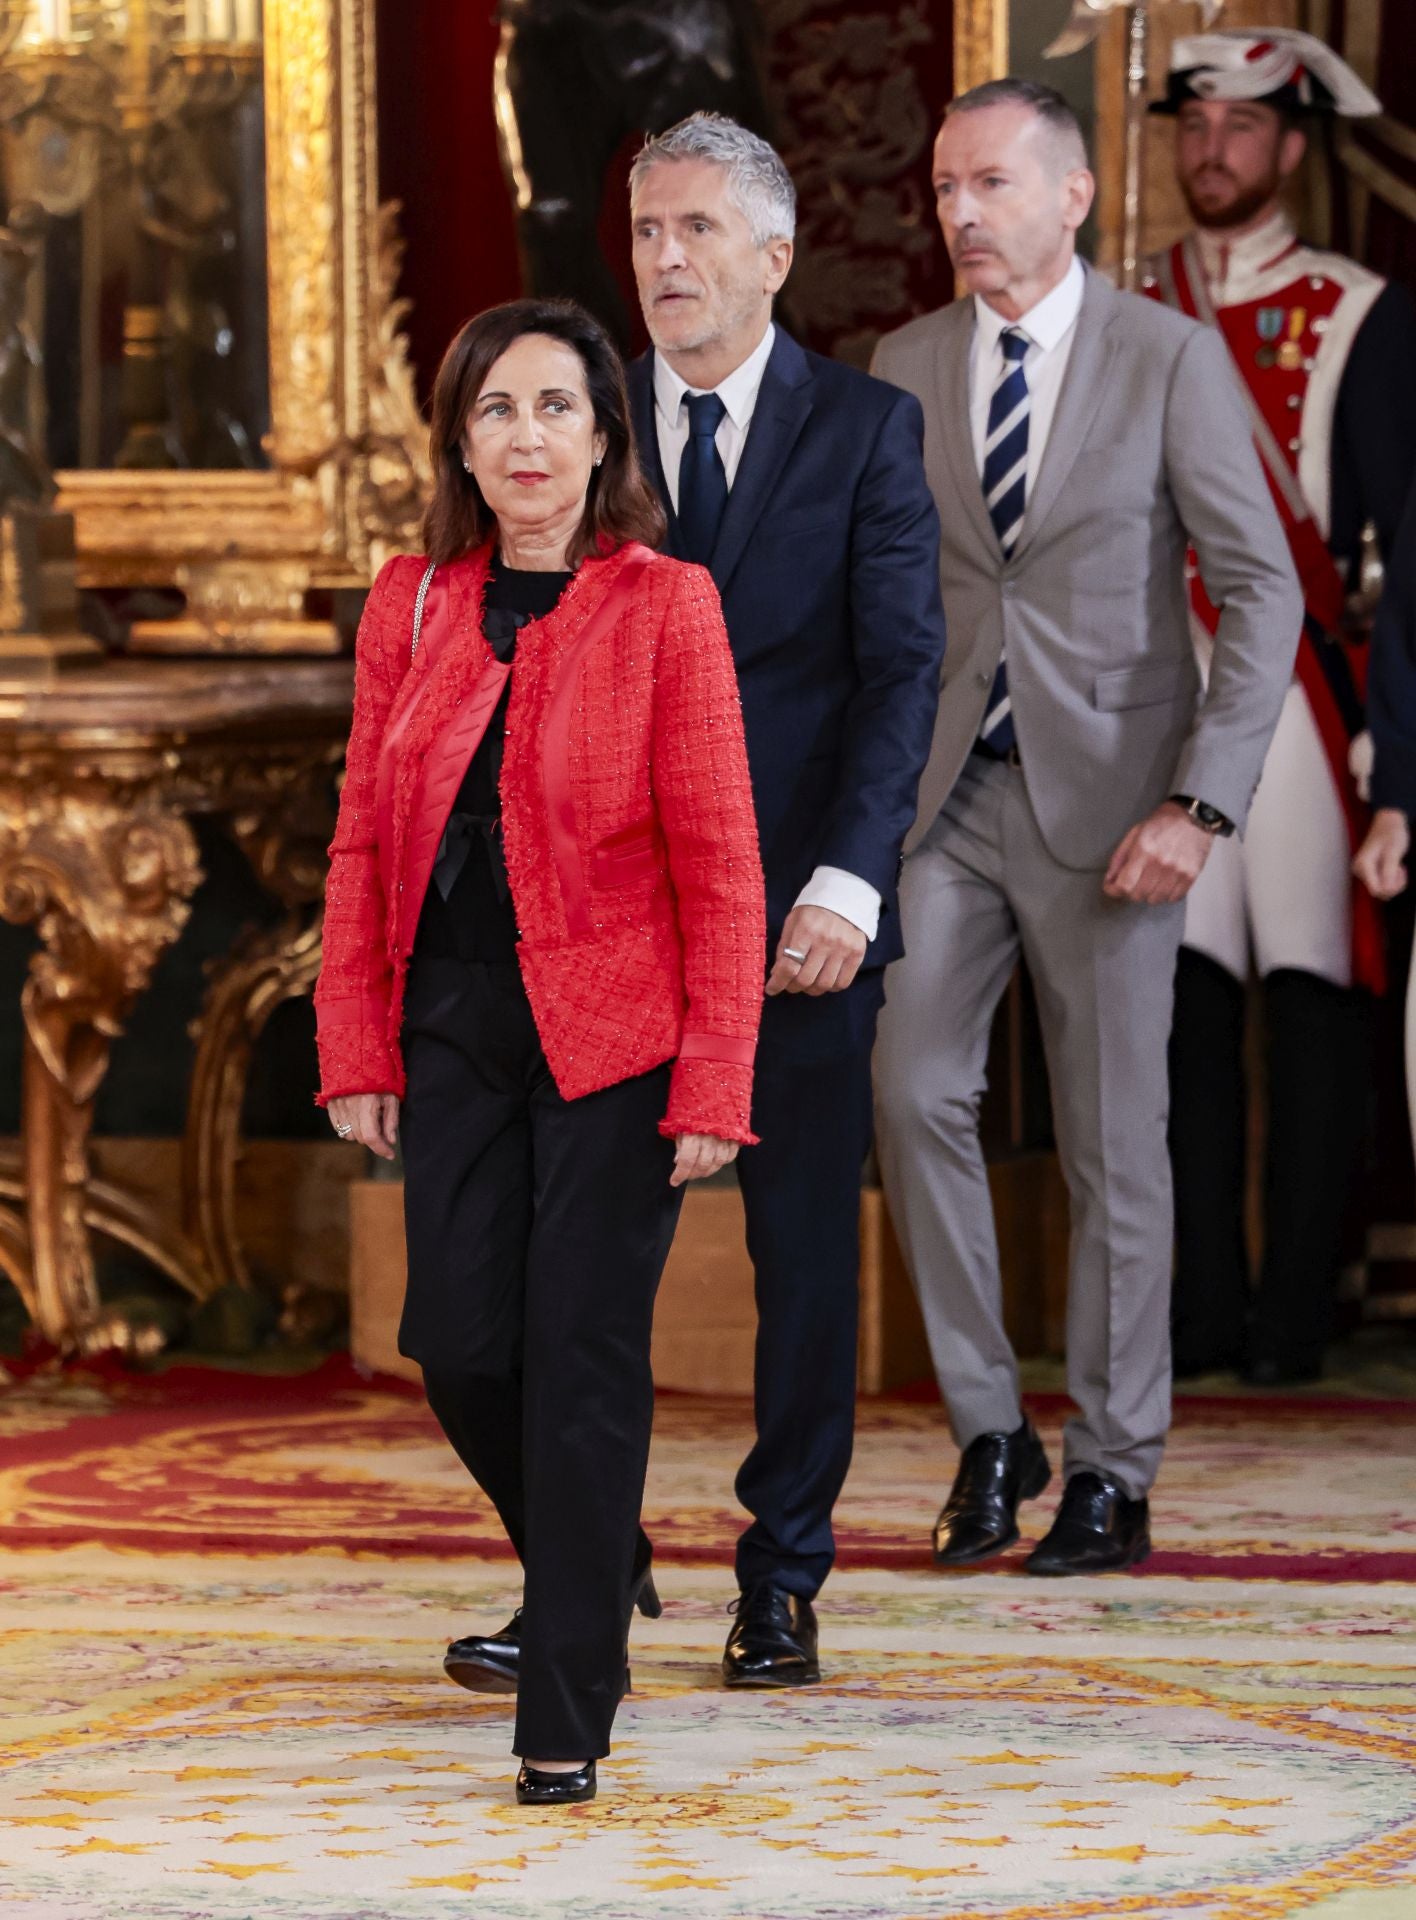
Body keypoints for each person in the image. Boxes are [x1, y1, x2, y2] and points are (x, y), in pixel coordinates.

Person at [314, 298, 765, 1805]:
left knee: (582, 1353)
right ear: (460, 439)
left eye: (557, 407)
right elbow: (363, 838)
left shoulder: (667, 604)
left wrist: (715, 1077)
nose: (526, 438)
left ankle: (569, 1702)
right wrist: (354, 1039)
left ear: (603, 437)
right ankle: (597, 1550)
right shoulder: (411, 604)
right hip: (452, 1025)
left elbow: (724, 865)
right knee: (456, 1338)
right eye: (496, 409)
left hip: (616, 1034)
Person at [872, 80, 1300, 1576]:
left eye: (990, 184)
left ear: (1073, 196)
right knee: (911, 1089)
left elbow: (1262, 588)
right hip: (943, 798)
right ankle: (992, 1430)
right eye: (945, 188)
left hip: (1119, 810)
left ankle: (1115, 1469)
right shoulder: (907, 363)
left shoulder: (1169, 357)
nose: (962, 213)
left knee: (1117, 1144)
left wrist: (1201, 801)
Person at [624, 112, 946, 1683]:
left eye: (695, 228)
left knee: (803, 1256)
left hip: (799, 919)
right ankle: (585, 1550)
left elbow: (902, 678)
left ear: (774, 253)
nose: (664, 258)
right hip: (614, 916)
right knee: (583, 1256)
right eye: (644, 230)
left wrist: (849, 885)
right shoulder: (580, 417)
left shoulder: (867, 429)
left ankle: (783, 1576)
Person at [1143, 28, 1416, 1383]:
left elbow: (1397, 542)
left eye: (1242, 127)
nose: (1213, 150)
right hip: (1159, 687)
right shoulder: (1132, 303)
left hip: (1301, 685)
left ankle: (1298, 1313)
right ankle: (1202, 1311)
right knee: (1181, 1009)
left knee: (1309, 995)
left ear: (1293, 148)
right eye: (1195, 127)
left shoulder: (1358, 308)